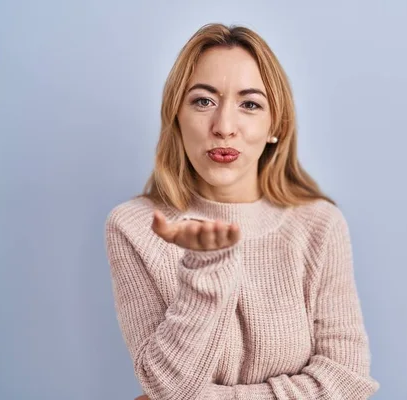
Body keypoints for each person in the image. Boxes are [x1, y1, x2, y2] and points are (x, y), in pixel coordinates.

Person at [104, 22, 380, 400]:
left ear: (275, 126)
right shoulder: (133, 226)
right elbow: (167, 385)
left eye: (249, 104)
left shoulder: (318, 225)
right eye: (203, 101)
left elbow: (347, 382)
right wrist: (207, 267)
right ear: (176, 116)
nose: (224, 127)